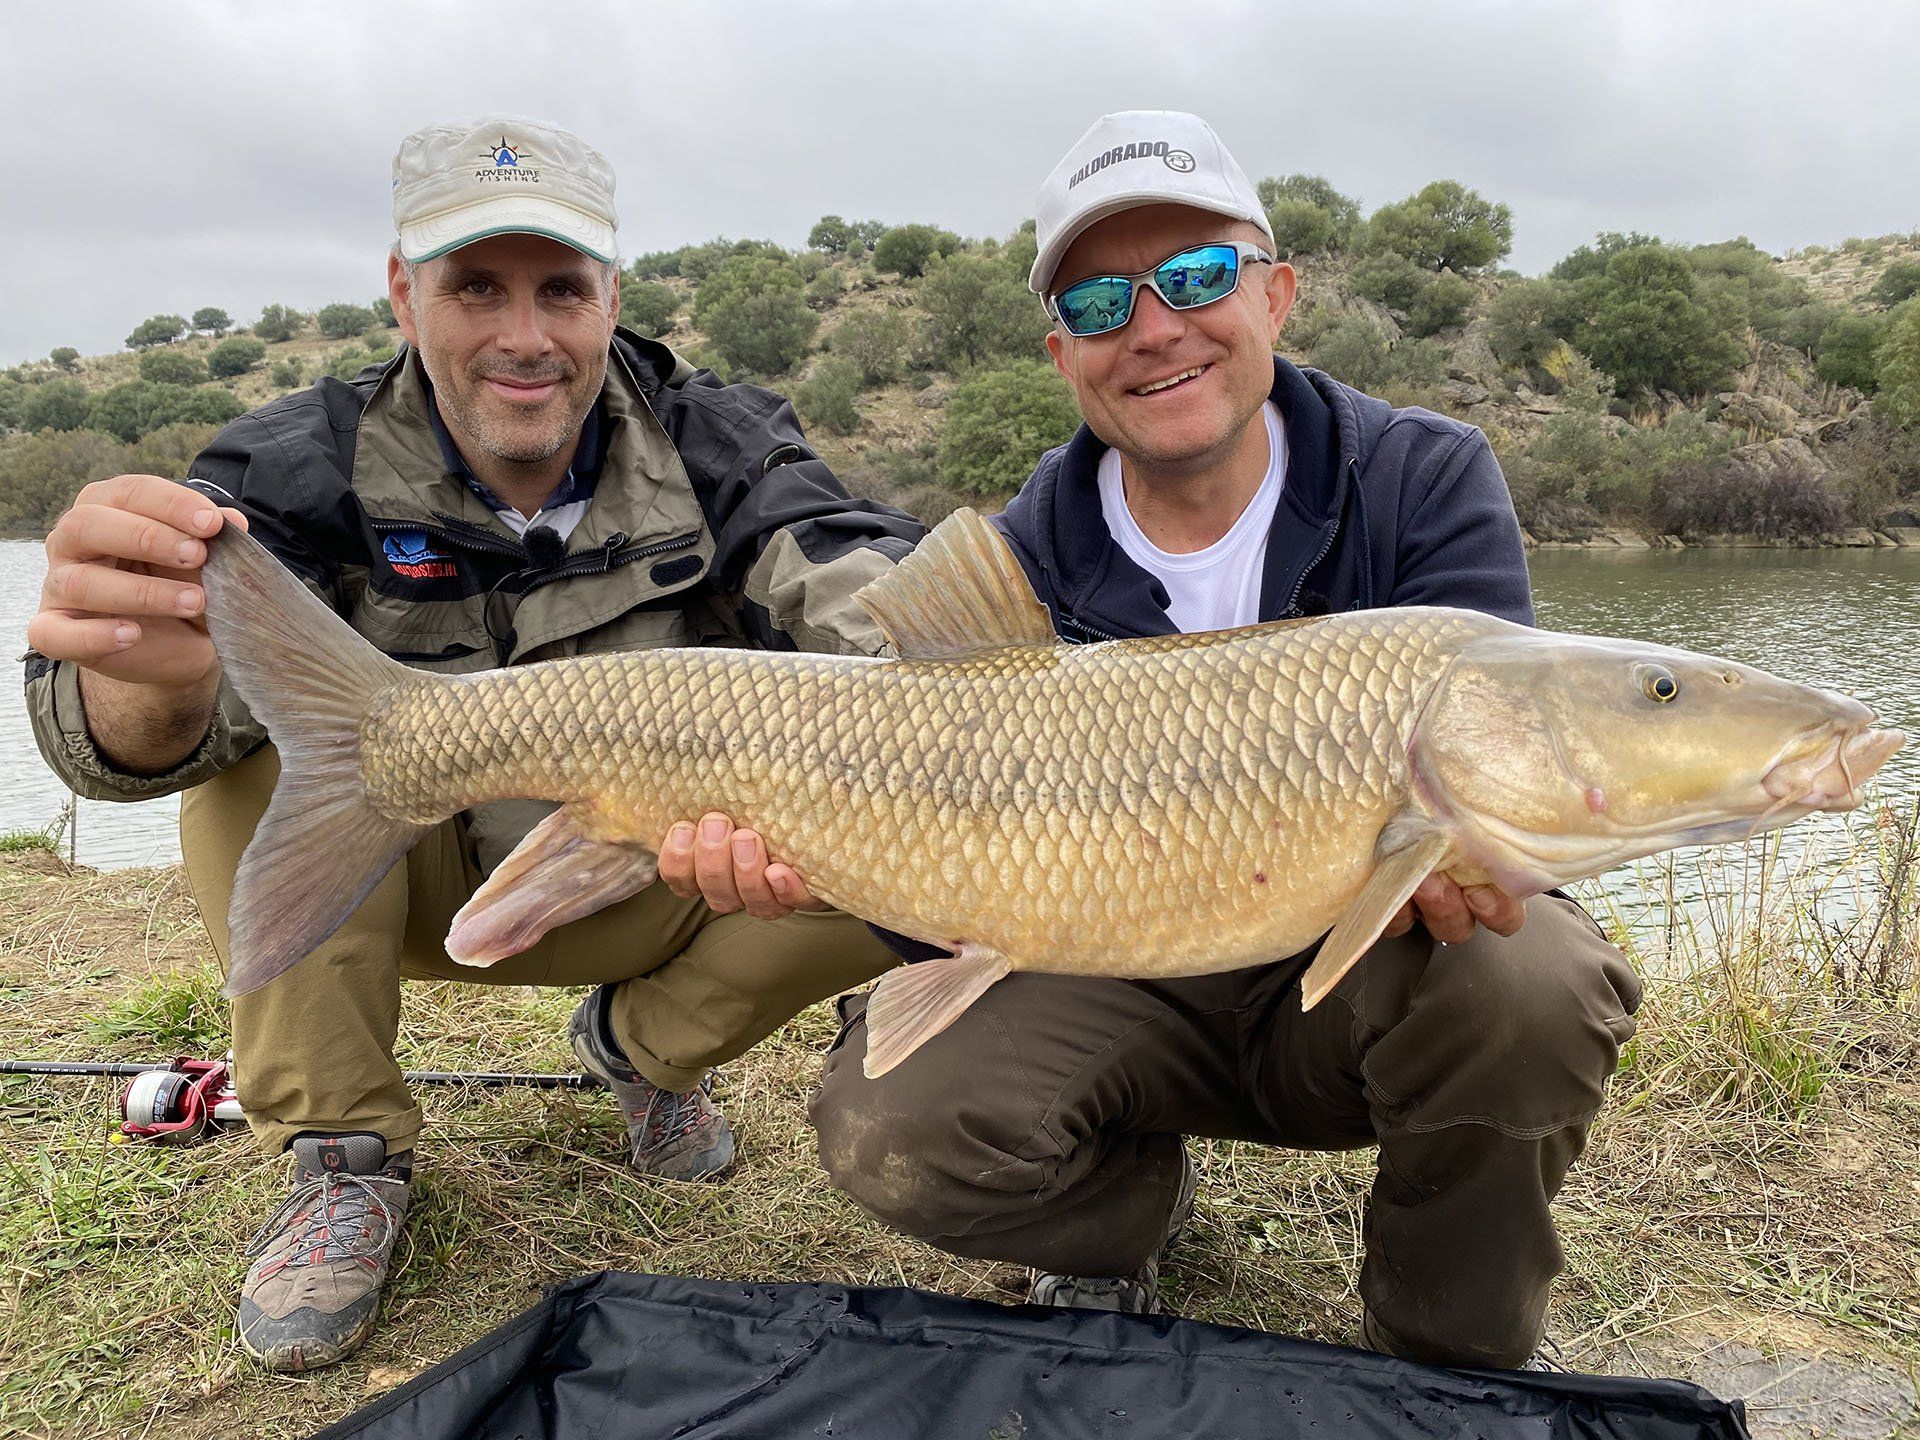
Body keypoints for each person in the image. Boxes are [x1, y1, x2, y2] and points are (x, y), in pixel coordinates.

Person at [24, 115, 920, 1373]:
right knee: (256, 758)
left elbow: (852, 573)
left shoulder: (719, 441)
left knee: (928, 847)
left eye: (562, 289)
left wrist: (964, 647)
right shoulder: (293, 466)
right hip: (398, 884)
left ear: (613, 296)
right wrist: (148, 688)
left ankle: (642, 1053)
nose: (524, 336)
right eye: (475, 288)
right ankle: (343, 1157)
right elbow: (119, 740)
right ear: (403, 292)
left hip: (651, 887)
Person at [806, 111, 1642, 1370]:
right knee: (894, 1122)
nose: (1154, 328)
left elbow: (1505, 796)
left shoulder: (1422, 479)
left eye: (1195, 276)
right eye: (1100, 304)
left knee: (1533, 980)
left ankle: (1447, 1358)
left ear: (1278, 295)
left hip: (1345, 983)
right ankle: (1124, 1214)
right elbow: (936, 916)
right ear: (1062, 354)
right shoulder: (1015, 562)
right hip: (1105, 986)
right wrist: (810, 854)